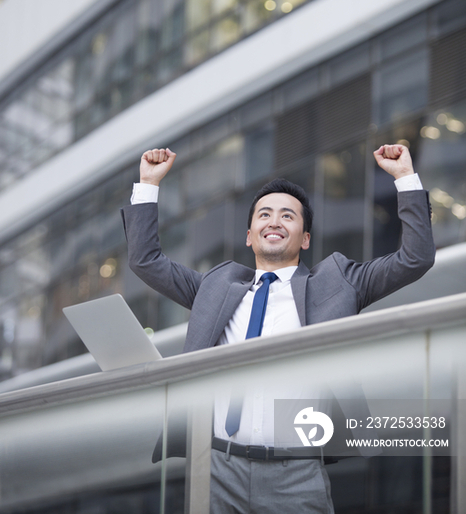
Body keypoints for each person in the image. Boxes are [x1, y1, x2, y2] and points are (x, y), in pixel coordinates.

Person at [121, 144, 435, 514]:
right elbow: (146, 260)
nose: (274, 221)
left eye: (288, 216)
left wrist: (404, 179)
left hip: (297, 472)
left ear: (304, 238)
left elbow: (415, 258)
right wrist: (148, 184)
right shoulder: (215, 288)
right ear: (250, 235)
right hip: (218, 467)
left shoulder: (337, 283)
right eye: (264, 214)